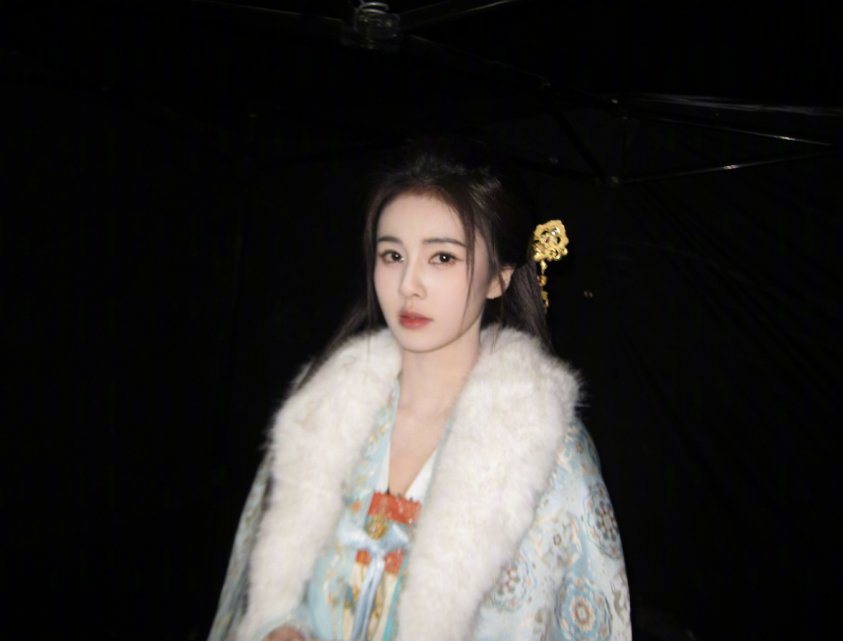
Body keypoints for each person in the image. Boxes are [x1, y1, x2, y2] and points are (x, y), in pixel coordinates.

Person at [208, 136, 631, 641]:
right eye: (392, 254)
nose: (409, 284)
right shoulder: (320, 411)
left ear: (499, 277)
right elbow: (254, 590)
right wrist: (279, 627)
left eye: (442, 258)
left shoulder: (549, 452)